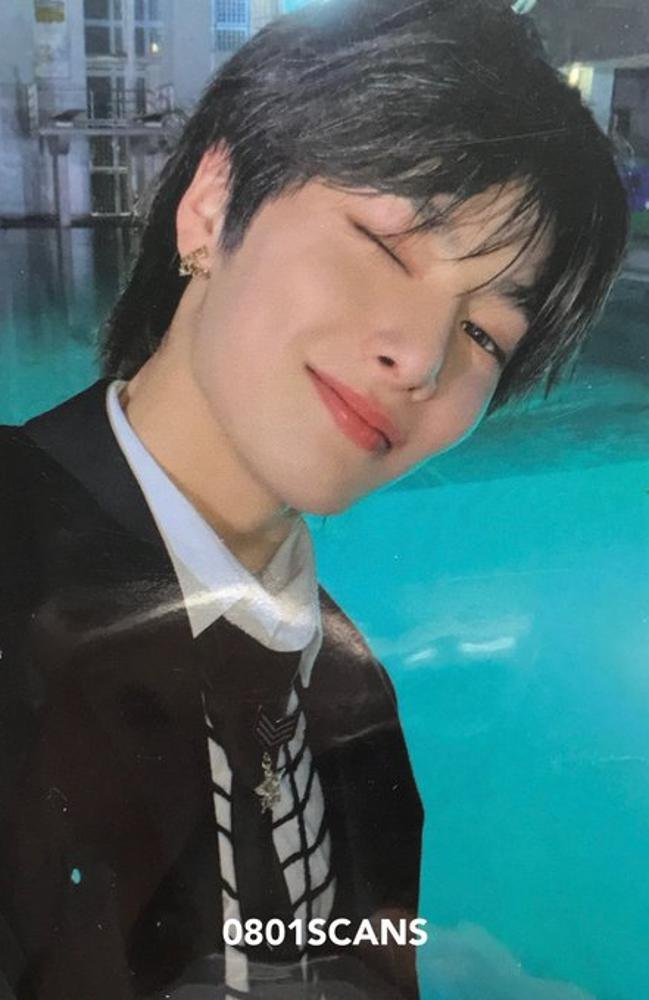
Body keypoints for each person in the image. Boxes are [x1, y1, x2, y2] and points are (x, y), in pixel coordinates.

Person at [0, 0, 628, 997]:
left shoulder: (349, 694)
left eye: (483, 336)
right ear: (212, 206)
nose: (419, 358)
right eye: (385, 244)